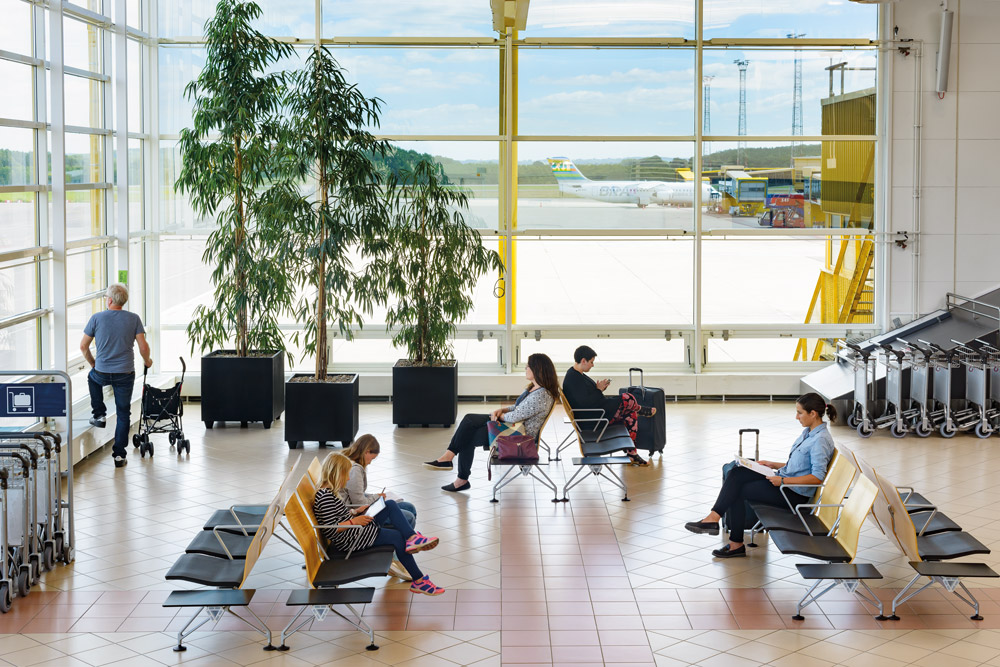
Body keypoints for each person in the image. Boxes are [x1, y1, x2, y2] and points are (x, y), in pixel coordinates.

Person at [684, 392, 837, 559]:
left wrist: (783, 480)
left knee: (738, 490)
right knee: (737, 471)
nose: (796, 417)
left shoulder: (820, 440)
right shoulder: (809, 432)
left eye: (800, 412)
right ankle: (715, 520)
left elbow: (817, 477)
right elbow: (800, 466)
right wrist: (773, 464)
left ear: (813, 414)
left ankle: (729, 536)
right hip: (784, 482)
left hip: (792, 494)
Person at [424, 353, 559, 493]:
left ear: (538, 369)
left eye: (528, 366)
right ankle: (452, 464)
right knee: (468, 424)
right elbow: (518, 408)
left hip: (517, 437)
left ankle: (456, 471)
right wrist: (501, 410)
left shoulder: (542, 395)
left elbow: (515, 416)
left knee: (468, 429)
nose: (525, 368)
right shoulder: (534, 389)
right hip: (511, 429)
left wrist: (499, 416)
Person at [314, 453, 445, 595]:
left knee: (389, 504)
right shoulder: (325, 497)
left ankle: (412, 538)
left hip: (355, 530)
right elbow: (330, 530)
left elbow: (337, 516)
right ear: (336, 473)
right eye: (346, 474)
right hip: (351, 539)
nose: (348, 478)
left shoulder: (328, 492)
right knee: (398, 538)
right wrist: (354, 521)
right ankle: (419, 580)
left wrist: (355, 512)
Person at [79, 283, 152, 469]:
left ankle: (99, 414)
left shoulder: (96, 318)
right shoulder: (134, 319)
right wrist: (148, 360)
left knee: (92, 378)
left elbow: (83, 346)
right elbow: (143, 347)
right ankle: (119, 455)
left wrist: (94, 364)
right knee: (123, 413)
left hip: (101, 372)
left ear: (110, 300)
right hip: (125, 373)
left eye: (105, 297)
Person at [562, 345, 655, 466]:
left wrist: (598, 389)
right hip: (594, 419)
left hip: (597, 411)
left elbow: (585, 397)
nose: (592, 365)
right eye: (591, 362)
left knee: (630, 414)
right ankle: (640, 409)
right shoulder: (573, 378)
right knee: (628, 397)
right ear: (583, 361)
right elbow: (584, 403)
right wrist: (598, 390)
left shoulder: (576, 375)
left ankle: (632, 453)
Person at [342, 434, 417, 581]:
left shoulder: (351, 464)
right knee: (408, 516)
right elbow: (359, 502)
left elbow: (358, 495)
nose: (370, 462)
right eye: (372, 458)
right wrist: (377, 497)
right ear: (366, 452)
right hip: (358, 513)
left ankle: (401, 552)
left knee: (409, 507)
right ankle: (396, 558)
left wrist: (377, 496)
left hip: (357, 508)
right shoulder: (354, 469)